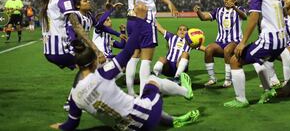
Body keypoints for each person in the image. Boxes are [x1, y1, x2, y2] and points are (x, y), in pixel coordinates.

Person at [49, 40, 199, 131]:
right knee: (152, 80)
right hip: (146, 119)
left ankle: (173, 121)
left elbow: (72, 124)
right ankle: (186, 91)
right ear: (95, 62)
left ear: (77, 66)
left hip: (127, 128)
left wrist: (61, 126)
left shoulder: (75, 95)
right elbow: (127, 51)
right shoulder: (102, 75)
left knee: (136, 103)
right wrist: (139, 21)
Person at [106, 0, 178, 96]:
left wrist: (109, 1)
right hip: (145, 19)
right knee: (146, 59)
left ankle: (131, 92)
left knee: (134, 55)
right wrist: (169, 2)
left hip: (131, 20)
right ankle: (144, 94)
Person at [224, 0, 286, 108]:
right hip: (282, 41)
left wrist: (242, 42)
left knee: (235, 61)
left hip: (270, 41)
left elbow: (253, 18)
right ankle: (268, 90)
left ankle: (241, 99)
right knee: (257, 60)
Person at [37, 0, 105, 70]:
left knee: (87, 72)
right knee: (100, 63)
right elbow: (76, 26)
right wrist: (96, 50)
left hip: (49, 50)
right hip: (61, 50)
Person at [193, 0, 247, 87]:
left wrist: (234, 7)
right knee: (208, 50)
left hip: (235, 42)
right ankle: (212, 79)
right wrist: (198, 12)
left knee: (227, 50)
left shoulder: (239, 9)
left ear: (235, 0)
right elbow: (204, 18)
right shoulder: (218, 11)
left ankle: (228, 80)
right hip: (220, 42)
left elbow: (244, 17)